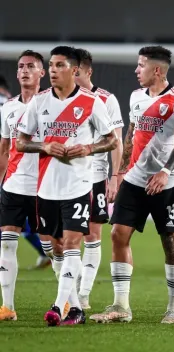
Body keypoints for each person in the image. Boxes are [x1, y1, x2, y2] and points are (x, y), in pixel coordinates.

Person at [90, 46, 174, 325]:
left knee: (170, 242)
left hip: (166, 183)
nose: (136, 70)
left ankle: (173, 306)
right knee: (118, 235)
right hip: (135, 179)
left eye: (141, 65)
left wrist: (164, 171)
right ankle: (121, 305)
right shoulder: (136, 97)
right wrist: (119, 174)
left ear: (156, 70)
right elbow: (131, 137)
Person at [16, 46, 118, 326]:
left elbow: (111, 140)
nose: (52, 70)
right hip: (46, 187)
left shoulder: (91, 103)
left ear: (74, 71)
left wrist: (89, 148)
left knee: (73, 243)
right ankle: (76, 308)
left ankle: (59, 306)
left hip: (78, 185)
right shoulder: (39, 102)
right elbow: (21, 142)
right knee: (54, 247)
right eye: (51, 65)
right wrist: (44, 145)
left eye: (59, 65)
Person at [74, 48, 124, 310]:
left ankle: (82, 295)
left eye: (77, 72)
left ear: (88, 72)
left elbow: (116, 142)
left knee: (92, 235)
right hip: (63, 179)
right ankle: (70, 288)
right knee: (54, 240)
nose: (73, 76)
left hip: (94, 177)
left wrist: (115, 176)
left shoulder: (106, 99)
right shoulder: (59, 100)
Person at [0, 50, 46, 321]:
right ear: (16, 74)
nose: (25, 70)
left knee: (55, 247)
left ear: (42, 72)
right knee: (7, 243)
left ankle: (67, 302)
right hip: (14, 186)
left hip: (46, 187)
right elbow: (4, 148)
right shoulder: (8, 107)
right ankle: (7, 307)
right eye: (21, 67)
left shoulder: (53, 104)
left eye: (32, 66)